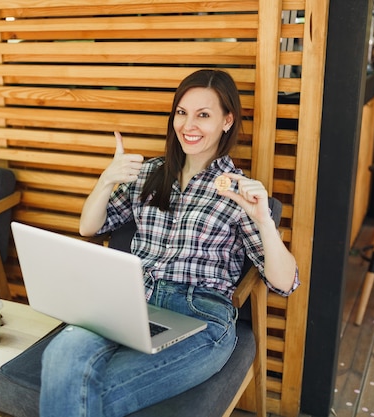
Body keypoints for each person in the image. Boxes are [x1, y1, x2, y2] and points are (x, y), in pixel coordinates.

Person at [40, 69, 299, 417]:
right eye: (182, 112)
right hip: (127, 301)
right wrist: (105, 182)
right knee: (60, 354)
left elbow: (285, 282)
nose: (188, 125)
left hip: (199, 314)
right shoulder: (151, 173)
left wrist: (265, 222)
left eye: (203, 115)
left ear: (227, 121)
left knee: (89, 392)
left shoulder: (239, 191)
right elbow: (90, 227)